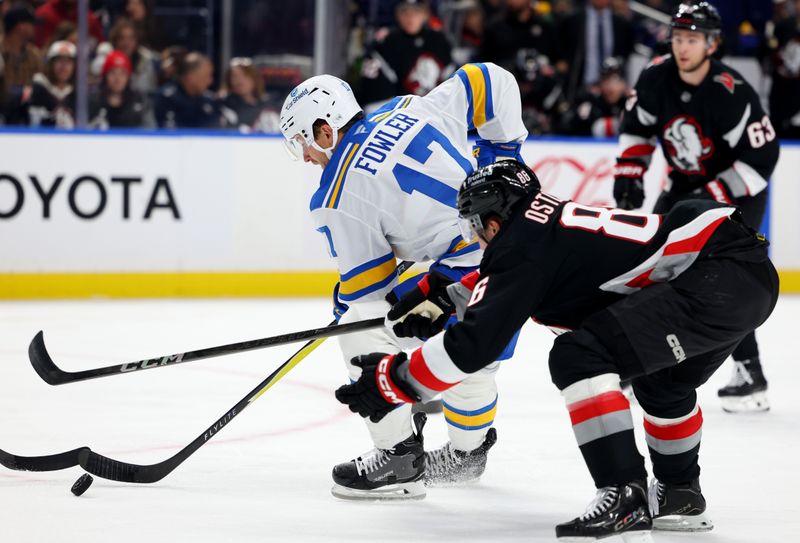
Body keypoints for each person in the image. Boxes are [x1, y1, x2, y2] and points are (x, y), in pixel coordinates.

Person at [336, 159, 778, 540]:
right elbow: (521, 279)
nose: (477, 240)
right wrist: (443, 291)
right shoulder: (543, 227)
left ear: (492, 221)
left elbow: (474, 346)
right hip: (740, 272)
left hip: (714, 273)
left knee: (579, 355)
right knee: (663, 386)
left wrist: (396, 381)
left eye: (475, 227)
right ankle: (680, 493)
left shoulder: (520, 247)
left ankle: (624, 492)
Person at [279, 62, 527, 500]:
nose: (304, 157)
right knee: (473, 356)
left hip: (463, 279)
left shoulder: (336, 192)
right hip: (521, 255)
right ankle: (468, 453)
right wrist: (503, 157)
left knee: (357, 324)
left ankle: (397, 454)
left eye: (302, 142)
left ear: (324, 130)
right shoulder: (406, 107)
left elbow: (368, 291)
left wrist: (342, 305)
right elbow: (490, 79)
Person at [612, 2, 780, 413]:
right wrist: (629, 175)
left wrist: (711, 196)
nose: (683, 47)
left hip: (738, 194)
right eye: (678, 37)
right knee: (645, 265)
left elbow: (762, 157)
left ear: (712, 44)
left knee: (725, 281)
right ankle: (637, 363)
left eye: (693, 39)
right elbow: (637, 127)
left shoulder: (732, 92)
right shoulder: (655, 76)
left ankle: (750, 373)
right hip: (683, 187)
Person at [357, 0, 454, 111]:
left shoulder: (439, 40)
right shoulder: (385, 42)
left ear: (425, 14)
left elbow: (450, 83)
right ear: (397, 15)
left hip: (433, 109)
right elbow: (374, 100)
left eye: (416, 12)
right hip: (397, 111)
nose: (411, 18)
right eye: (405, 13)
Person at [556, 0, 635, 102]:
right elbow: (559, 48)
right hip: (579, 88)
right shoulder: (571, 20)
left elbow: (626, 55)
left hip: (611, 92)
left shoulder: (622, 24)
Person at [558, 57, 628, 137]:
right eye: (606, 79)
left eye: (615, 80)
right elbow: (564, 128)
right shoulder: (589, 102)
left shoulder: (630, 106)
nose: (610, 87)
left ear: (624, 83)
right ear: (600, 83)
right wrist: (578, 118)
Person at [154, 52, 226, 129]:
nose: (210, 81)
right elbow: (169, 134)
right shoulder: (167, 98)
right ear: (190, 77)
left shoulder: (210, 101)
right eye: (206, 76)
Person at [89, 50, 154, 129]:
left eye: (123, 73)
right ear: (105, 76)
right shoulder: (93, 101)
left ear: (128, 77)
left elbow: (150, 131)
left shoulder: (140, 100)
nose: (118, 79)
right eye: (113, 73)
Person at [1, 2, 42, 124]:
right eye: (32, 24)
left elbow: (40, 85)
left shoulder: (34, 55)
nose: (35, 28)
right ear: (21, 27)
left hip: (27, 113)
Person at [220, 57, 278, 133]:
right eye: (235, 76)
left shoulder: (269, 105)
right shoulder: (224, 106)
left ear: (255, 78)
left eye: (245, 75)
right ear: (229, 80)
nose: (240, 80)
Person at [27, 39, 75, 127]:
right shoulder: (38, 90)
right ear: (50, 63)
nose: (63, 66)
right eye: (59, 60)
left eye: (68, 61)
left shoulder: (79, 94)